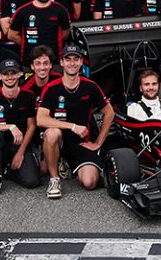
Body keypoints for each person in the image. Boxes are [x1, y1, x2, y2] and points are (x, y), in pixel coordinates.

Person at [36, 45, 114, 199]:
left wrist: (98, 143)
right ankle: (54, 179)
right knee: (52, 133)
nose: (72, 63)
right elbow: (40, 119)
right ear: (62, 62)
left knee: (90, 182)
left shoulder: (90, 86)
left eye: (76, 59)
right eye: (68, 59)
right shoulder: (51, 88)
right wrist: (72, 126)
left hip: (81, 143)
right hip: (58, 141)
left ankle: (68, 164)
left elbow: (109, 113)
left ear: (80, 63)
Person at [0, 58, 43, 196]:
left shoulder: (28, 96)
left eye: (13, 73)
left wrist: (21, 152)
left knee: (32, 182)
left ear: (19, 74)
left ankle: (8, 170)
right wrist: (11, 127)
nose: (10, 77)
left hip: (19, 144)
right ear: (0, 76)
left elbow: (31, 126)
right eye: (6, 74)